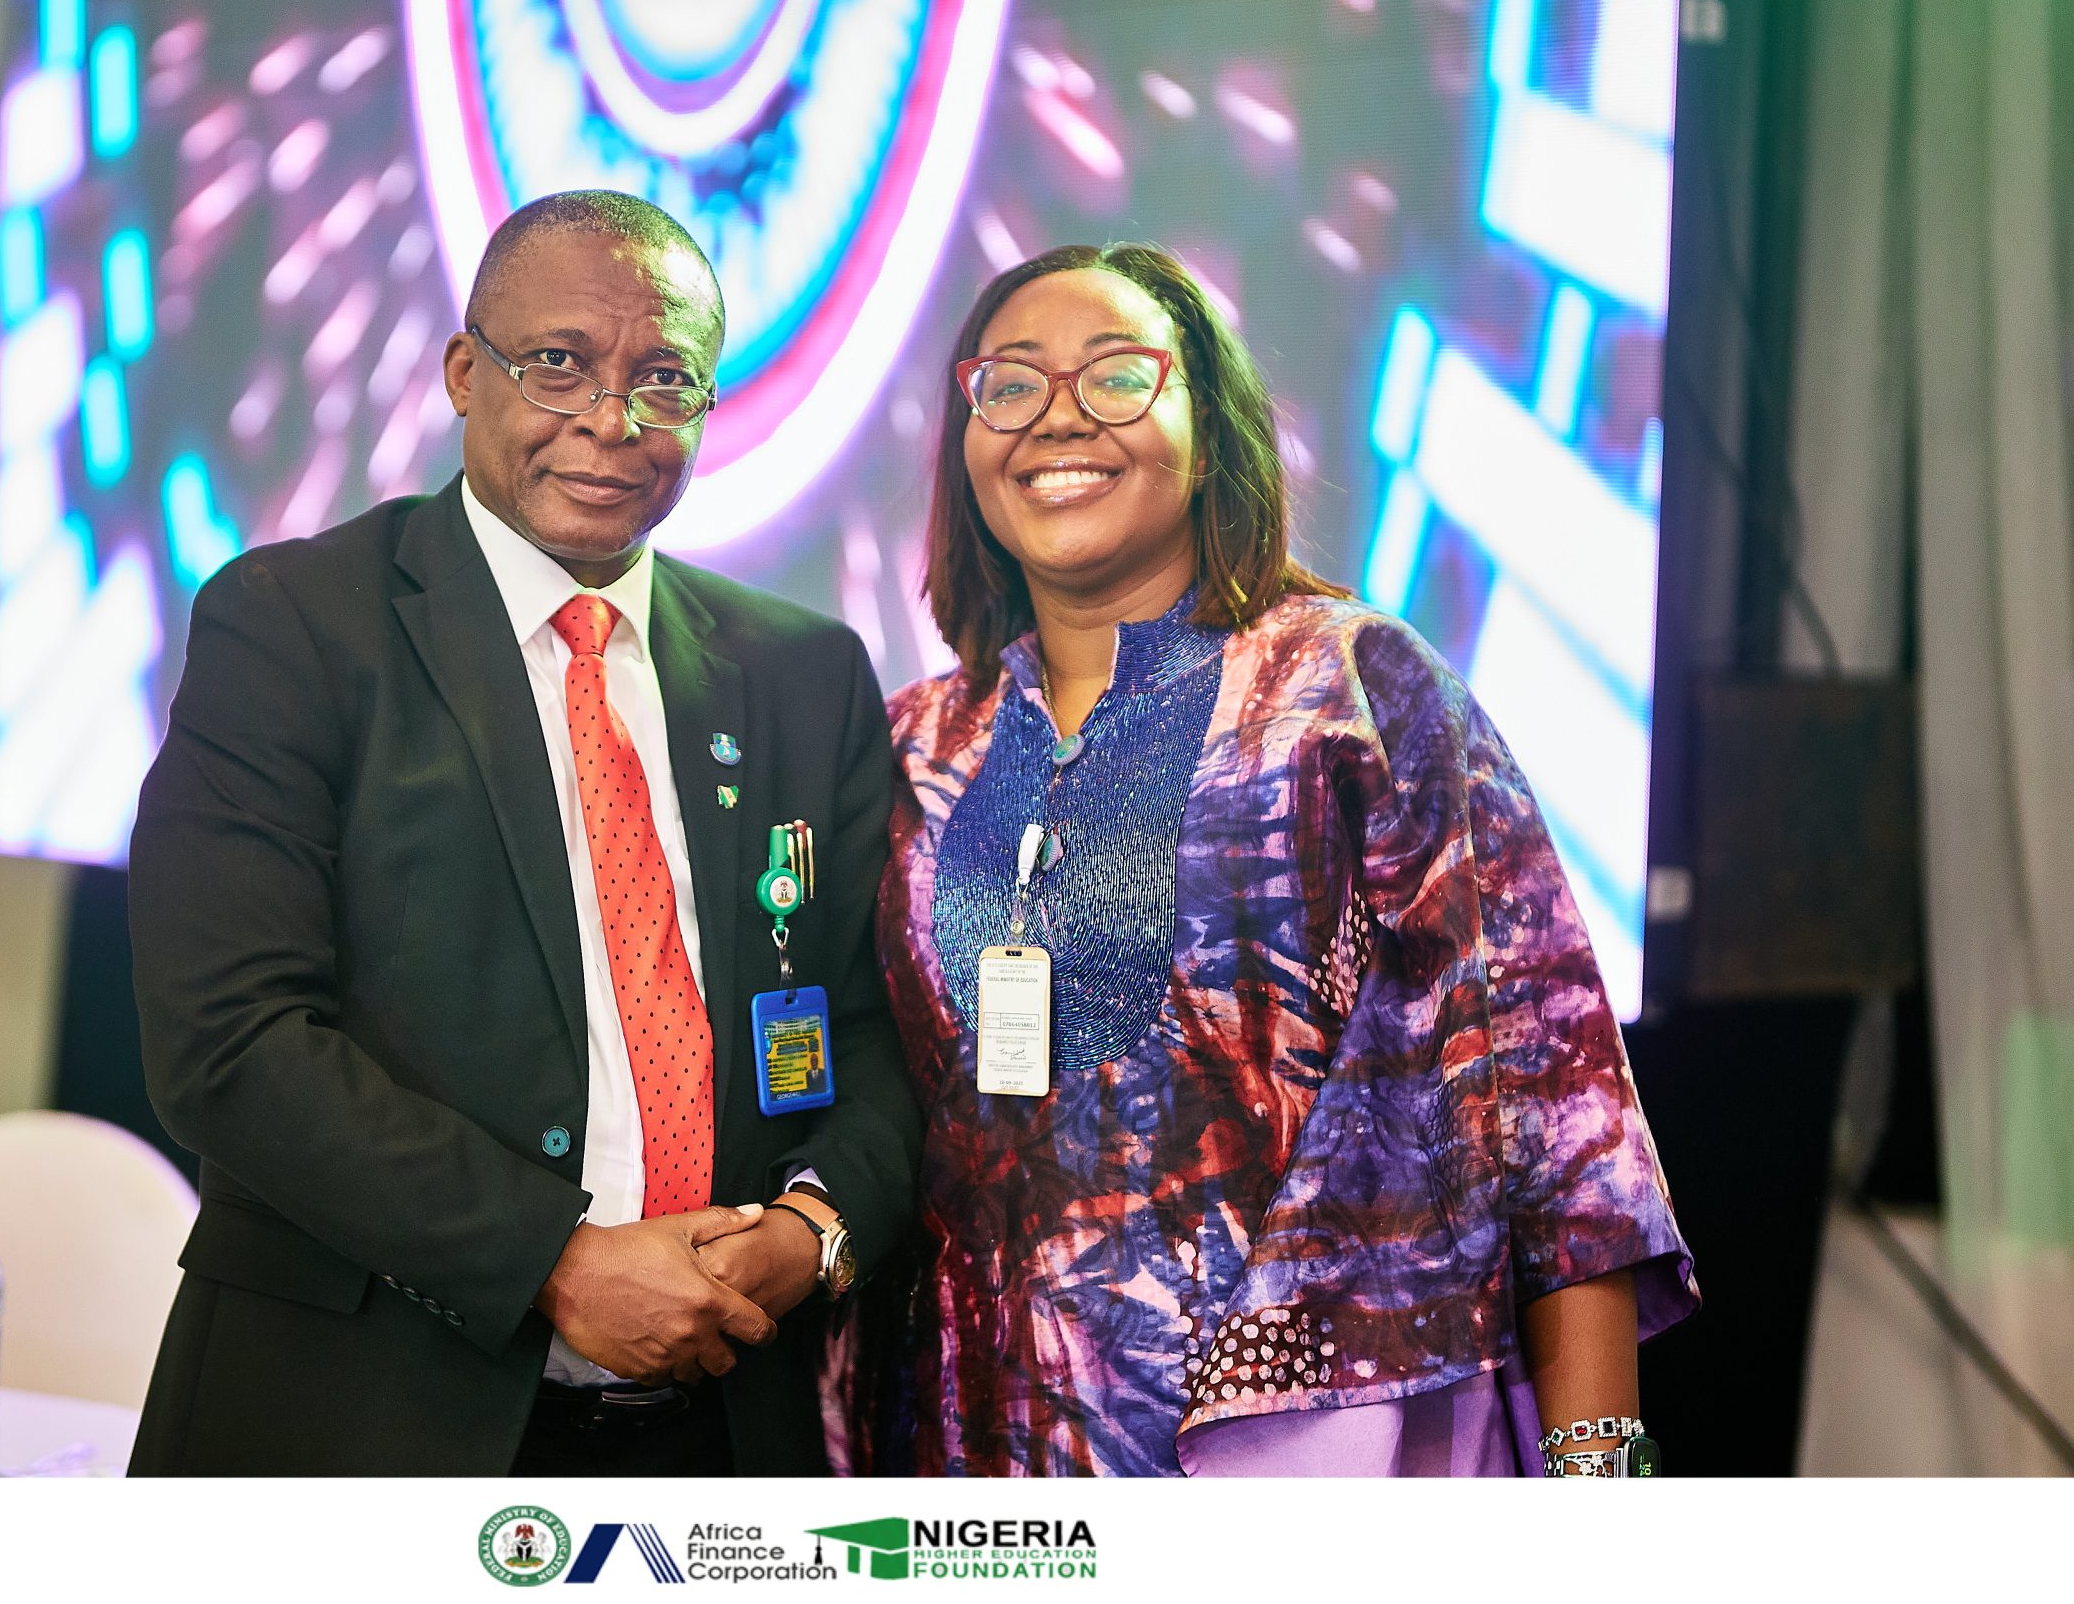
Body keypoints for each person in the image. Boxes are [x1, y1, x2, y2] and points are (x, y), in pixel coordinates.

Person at [857, 242, 1695, 1477]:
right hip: (977, 1474)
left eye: (1117, 376)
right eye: (1011, 384)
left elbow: (1552, 1109)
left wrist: (1595, 1482)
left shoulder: (1350, 688)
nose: (1058, 417)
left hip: (1323, 1466)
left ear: (1210, 433)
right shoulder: (912, 747)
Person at [126, 190, 919, 1476]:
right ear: (463, 372)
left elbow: (872, 1029)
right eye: (558, 363)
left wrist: (809, 1232)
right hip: (367, 1420)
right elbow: (230, 1040)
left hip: (715, 1427)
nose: (612, 420)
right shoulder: (295, 626)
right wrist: (552, 1262)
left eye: (664, 379)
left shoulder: (802, 673)